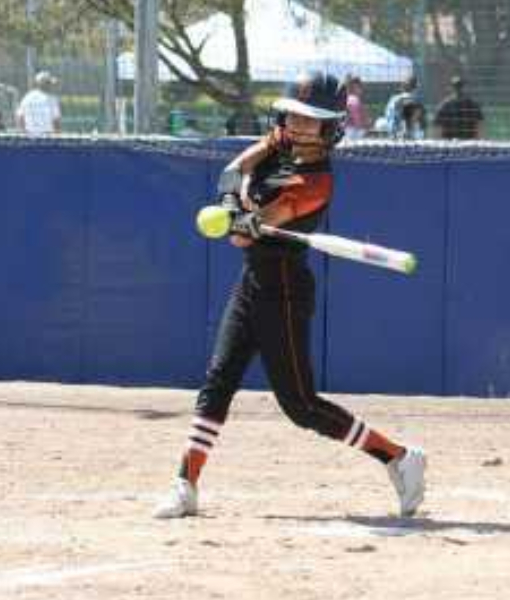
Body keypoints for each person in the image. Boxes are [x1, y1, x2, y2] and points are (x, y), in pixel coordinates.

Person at [153, 71, 426, 520]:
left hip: (283, 291)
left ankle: (399, 457)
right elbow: (233, 171)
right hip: (253, 281)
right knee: (218, 380)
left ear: (330, 126)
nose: (297, 125)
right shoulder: (281, 140)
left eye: (310, 119)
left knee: (301, 407)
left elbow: (245, 234)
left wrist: (240, 216)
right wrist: (232, 202)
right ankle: (186, 484)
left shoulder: (315, 182)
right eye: (294, 115)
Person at [433, 76, 484, 140]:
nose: (459, 89)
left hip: (451, 143)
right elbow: (479, 127)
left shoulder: (444, 105)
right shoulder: (473, 105)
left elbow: (438, 129)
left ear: (451, 88)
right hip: (466, 143)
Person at [16, 71, 61, 135]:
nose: (51, 86)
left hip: (29, 135)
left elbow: (20, 117)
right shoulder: (51, 99)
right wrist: (57, 136)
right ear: (45, 84)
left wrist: (23, 133)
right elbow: (56, 121)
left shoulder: (28, 97)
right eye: (49, 83)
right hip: (46, 136)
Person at [344, 75, 370, 141]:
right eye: (360, 86)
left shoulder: (348, 98)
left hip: (350, 130)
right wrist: (365, 126)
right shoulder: (354, 100)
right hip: (354, 131)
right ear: (355, 88)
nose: (362, 89)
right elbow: (356, 118)